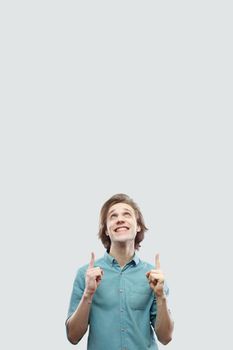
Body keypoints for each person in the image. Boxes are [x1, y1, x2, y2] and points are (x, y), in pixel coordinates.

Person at [66, 193, 174, 350]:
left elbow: (166, 338)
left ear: (137, 226)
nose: (120, 219)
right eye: (113, 216)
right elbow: (73, 337)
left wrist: (160, 296)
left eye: (127, 214)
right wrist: (88, 294)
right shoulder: (86, 274)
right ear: (107, 231)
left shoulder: (154, 276)